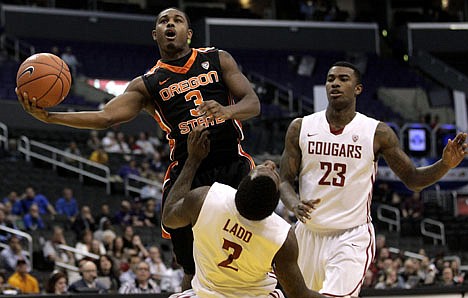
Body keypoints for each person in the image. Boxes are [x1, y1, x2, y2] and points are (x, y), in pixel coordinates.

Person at [17, 7, 260, 288]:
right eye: (163, 21)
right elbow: (105, 117)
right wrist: (50, 117)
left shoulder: (217, 58)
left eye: (177, 20)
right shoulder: (148, 84)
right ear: (155, 35)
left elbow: (252, 103)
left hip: (233, 163)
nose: (170, 24)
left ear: (189, 34)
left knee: (255, 251)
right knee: (191, 270)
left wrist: (227, 112)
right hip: (189, 172)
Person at [279, 61, 468, 297]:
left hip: (350, 234)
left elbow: (413, 179)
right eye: (330, 79)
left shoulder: (376, 132)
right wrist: (294, 203)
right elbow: (284, 180)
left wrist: (445, 165)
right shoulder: (301, 127)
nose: (335, 83)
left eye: (343, 79)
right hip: (307, 232)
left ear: (358, 89)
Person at [163, 127, 324, 298]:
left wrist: (193, 160)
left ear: (240, 185)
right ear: (273, 208)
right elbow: (299, 294)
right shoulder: (282, 236)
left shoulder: (206, 199)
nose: (270, 164)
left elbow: (169, 217)